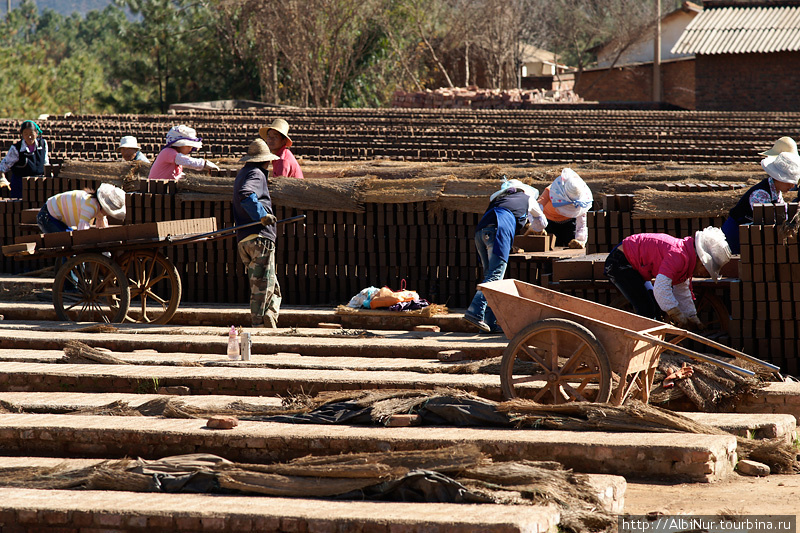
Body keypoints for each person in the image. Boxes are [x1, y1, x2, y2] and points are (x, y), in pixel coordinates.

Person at [604, 226, 732, 330]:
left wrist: (691, 317)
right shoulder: (678, 255)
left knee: (654, 309)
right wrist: (676, 313)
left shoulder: (687, 259)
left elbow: (682, 292)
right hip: (620, 263)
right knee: (646, 308)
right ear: (700, 260)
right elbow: (660, 288)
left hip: (635, 267)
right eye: (707, 269)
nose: (706, 274)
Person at [463, 177, 547, 333]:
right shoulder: (527, 198)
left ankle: (489, 323)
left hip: (481, 232)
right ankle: (474, 311)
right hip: (498, 231)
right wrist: (532, 224)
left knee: (489, 276)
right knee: (495, 276)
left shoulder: (498, 199)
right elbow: (541, 222)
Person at [233, 138, 283, 328]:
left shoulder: (243, 173)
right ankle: (258, 326)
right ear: (265, 160)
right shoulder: (256, 173)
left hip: (244, 239)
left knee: (273, 287)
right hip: (259, 239)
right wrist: (262, 215)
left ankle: (270, 314)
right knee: (261, 287)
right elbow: (246, 194)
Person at [721, 151, 800, 254]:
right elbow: (768, 221)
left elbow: (782, 212)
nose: (792, 186)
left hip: (749, 235)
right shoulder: (760, 194)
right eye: (789, 182)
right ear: (778, 178)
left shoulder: (776, 192)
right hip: (736, 233)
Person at [533, 168, 593, 248]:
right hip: (548, 222)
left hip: (569, 223)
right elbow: (536, 208)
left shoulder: (579, 195)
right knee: (549, 247)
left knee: (572, 247)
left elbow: (582, 220)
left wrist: (580, 240)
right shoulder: (550, 190)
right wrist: (537, 225)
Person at [37, 183, 126, 234]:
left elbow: (102, 227)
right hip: (47, 217)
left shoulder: (97, 207)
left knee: (69, 245)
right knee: (69, 247)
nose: (108, 214)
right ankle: (70, 266)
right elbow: (82, 233)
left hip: (56, 218)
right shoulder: (90, 206)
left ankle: (66, 266)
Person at [148, 125, 219, 180]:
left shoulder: (174, 155)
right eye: (188, 146)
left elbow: (175, 174)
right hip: (156, 189)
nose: (190, 148)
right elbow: (188, 161)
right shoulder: (168, 152)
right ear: (179, 145)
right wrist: (204, 163)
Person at [0, 120, 49, 199]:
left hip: (38, 183)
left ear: (36, 133)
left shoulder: (43, 144)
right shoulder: (16, 148)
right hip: (20, 185)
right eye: (25, 134)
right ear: (22, 135)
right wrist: (2, 177)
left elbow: (46, 162)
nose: (29, 137)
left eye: (31, 134)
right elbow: (3, 165)